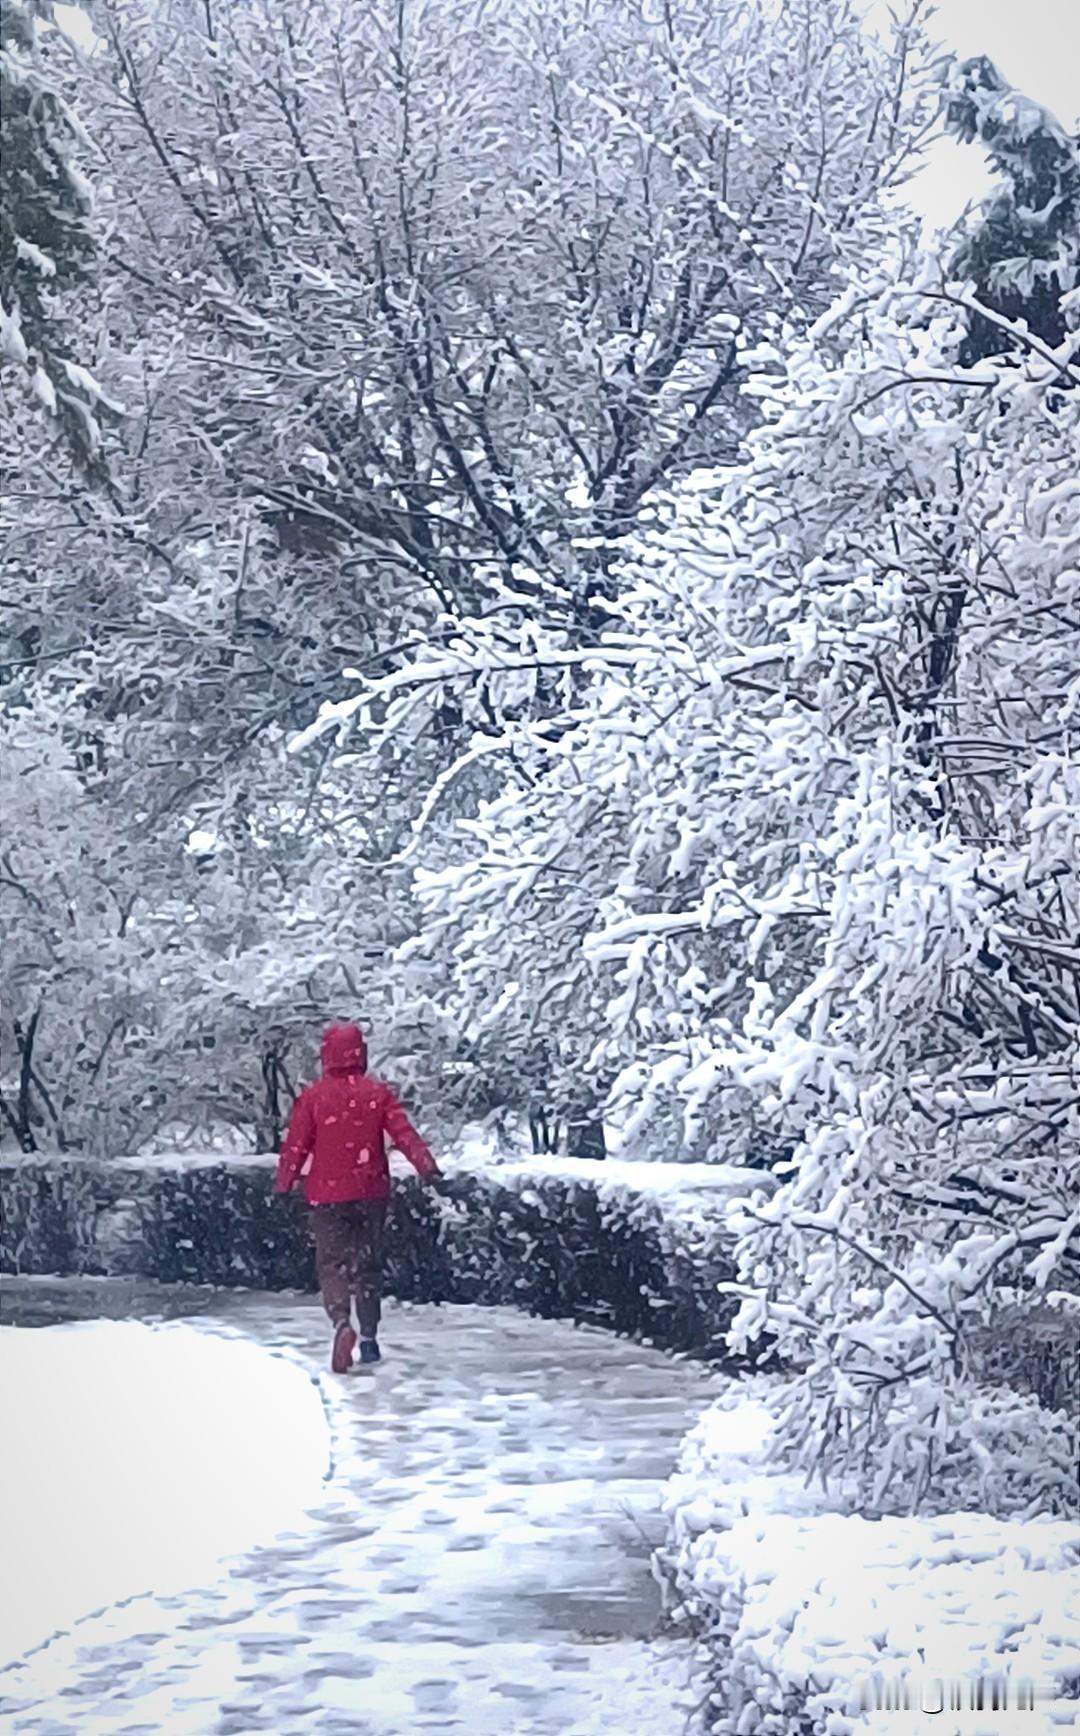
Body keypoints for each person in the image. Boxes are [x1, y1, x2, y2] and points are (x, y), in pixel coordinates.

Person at [275, 1021, 442, 1372]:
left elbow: (296, 1145)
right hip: (371, 1191)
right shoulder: (377, 1094)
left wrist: (284, 1182)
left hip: (326, 1194)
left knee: (332, 1264)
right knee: (368, 1264)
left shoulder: (314, 1097)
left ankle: (340, 1323)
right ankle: (368, 1338)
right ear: (360, 1053)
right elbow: (405, 1134)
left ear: (327, 1055)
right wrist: (428, 1169)